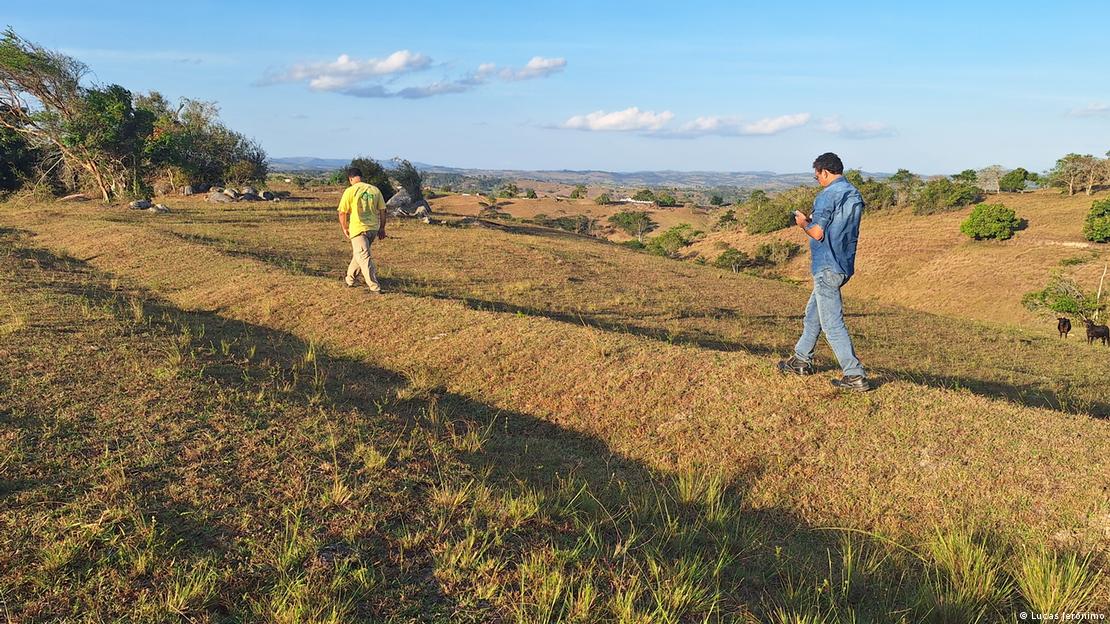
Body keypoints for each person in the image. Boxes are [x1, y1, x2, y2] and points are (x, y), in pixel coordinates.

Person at [777, 152, 870, 391]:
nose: (817, 179)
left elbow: (817, 233)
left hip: (826, 264)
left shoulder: (827, 195)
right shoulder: (853, 193)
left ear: (824, 172)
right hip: (843, 263)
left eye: (817, 175)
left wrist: (803, 223)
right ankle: (800, 360)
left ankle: (854, 374)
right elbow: (836, 228)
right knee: (813, 316)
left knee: (831, 322)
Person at [337, 166, 387, 293]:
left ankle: (374, 287)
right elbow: (383, 211)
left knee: (364, 257)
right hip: (373, 229)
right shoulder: (375, 190)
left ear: (351, 178)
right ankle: (350, 279)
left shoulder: (350, 190)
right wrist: (382, 228)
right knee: (359, 255)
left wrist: (344, 227)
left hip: (358, 229)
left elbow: (342, 212)